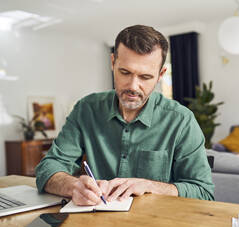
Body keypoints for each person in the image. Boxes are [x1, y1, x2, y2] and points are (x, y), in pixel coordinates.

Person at [35, 25, 214, 206]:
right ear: (112, 62)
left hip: (158, 225)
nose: (133, 86)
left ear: (161, 74)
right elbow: (48, 167)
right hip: (96, 222)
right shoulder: (86, 109)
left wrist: (150, 185)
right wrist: (73, 186)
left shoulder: (181, 120)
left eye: (145, 77)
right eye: (125, 72)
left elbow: (203, 192)